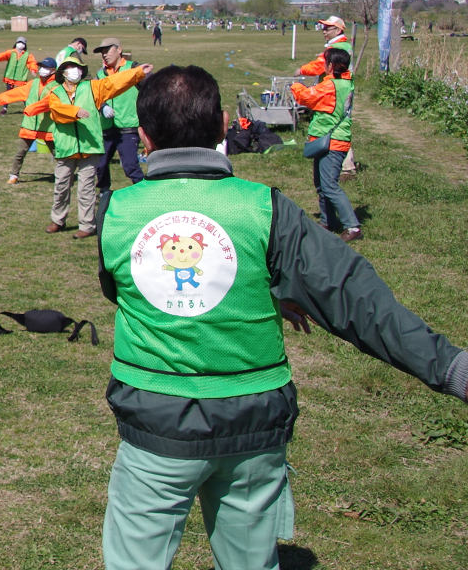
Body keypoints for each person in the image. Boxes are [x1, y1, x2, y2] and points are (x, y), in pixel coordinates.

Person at [93, 64, 467, 570]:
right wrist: (450, 368)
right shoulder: (265, 207)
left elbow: (125, 290)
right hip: (255, 418)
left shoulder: (116, 210)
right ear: (225, 125)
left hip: (154, 420)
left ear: (143, 137)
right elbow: (351, 296)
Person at [45, 53, 148, 238]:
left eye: (77, 67)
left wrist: (138, 72)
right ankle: (57, 220)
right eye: (70, 67)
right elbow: (56, 111)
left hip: (89, 146)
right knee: (61, 186)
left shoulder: (92, 87)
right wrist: (75, 111)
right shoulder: (55, 92)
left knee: (86, 189)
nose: (75, 71)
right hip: (66, 148)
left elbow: (115, 82)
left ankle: (87, 225)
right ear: (63, 72)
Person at [290, 48, 359, 241]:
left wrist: (295, 86)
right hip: (327, 139)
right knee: (321, 185)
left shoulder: (331, 86)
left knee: (329, 185)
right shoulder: (345, 82)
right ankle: (328, 222)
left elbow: (306, 97)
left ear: (330, 66)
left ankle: (352, 227)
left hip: (333, 141)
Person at [92, 38, 145, 195]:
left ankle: (143, 190)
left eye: (108, 50)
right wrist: (103, 106)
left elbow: (149, 90)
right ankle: (104, 191)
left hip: (128, 126)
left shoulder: (133, 69)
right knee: (100, 165)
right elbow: (95, 95)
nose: (104, 54)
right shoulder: (100, 74)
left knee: (130, 165)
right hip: (106, 127)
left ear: (119, 49)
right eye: (102, 52)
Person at [0, 57, 56, 183]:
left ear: (53, 70)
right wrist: (1, 98)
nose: (42, 70)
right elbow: (18, 92)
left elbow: (47, 102)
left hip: (47, 126)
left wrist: (32, 109)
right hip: (30, 125)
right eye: (41, 67)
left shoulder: (56, 86)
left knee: (57, 154)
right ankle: (13, 176)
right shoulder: (33, 83)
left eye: (46, 67)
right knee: (20, 152)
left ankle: (65, 175)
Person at [0, 36, 38, 115]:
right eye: (19, 42)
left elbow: (32, 63)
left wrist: (33, 70)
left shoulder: (28, 55)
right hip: (10, 77)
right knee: (8, 93)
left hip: (21, 78)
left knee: (23, 94)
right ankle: (4, 109)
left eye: (22, 43)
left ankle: (28, 109)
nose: (20, 44)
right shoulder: (11, 52)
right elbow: (4, 55)